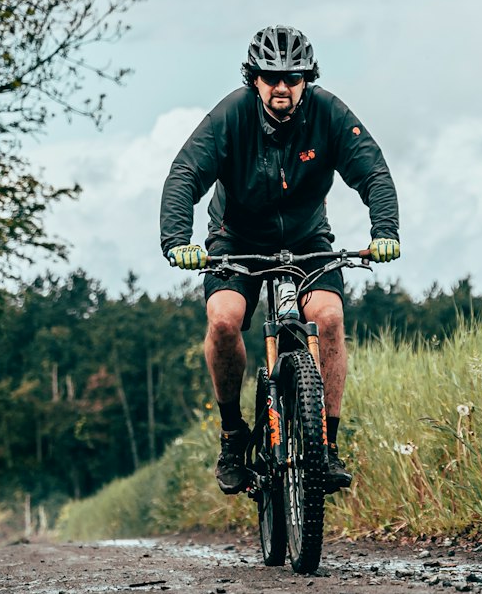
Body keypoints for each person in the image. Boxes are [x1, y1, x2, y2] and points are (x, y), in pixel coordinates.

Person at [160, 25, 400, 497]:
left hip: (309, 238)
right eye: (271, 78)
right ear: (255, 79)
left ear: (306, 79)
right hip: (236, 239)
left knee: (328, 319)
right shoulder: (231, 116)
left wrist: (385, 232)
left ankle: (325, 447)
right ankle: (233, 437)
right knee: (224, 321)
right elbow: (185, 173)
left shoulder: (328, 113)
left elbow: (372, 170)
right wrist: (176, 240)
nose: (282, 87)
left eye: (293, 77)